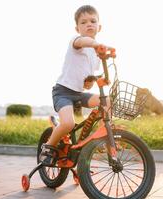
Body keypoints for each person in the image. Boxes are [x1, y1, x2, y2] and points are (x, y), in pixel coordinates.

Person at [39, 5, 111, 166]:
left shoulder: (96, 54)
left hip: (78, 93)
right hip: (63, 92)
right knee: (68, 124)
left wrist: (92, 81)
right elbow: (84, 41)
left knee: (107, 101)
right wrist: (95, 44)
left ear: (100, 26)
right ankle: (48, 147)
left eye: (93, 21)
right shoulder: (77, 41)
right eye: (84, 22)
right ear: (77, 28)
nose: (89, 24)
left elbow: (87, 79)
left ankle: (105, 137)